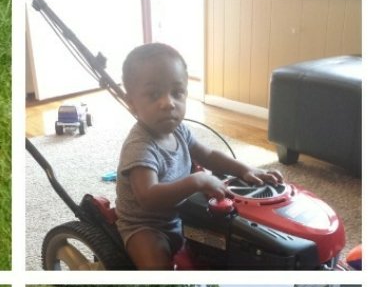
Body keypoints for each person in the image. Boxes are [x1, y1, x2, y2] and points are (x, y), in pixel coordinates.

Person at [115, 42, 282, 270]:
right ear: (131, 103)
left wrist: (244, 169)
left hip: (181, 212)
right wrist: (197, 181)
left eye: (177, 93)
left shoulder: (179, 130)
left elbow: (209, 155)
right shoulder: (140, 146)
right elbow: (149, 198)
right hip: (146, 225)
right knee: (157, 271)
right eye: (154, 95)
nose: (168, 103)